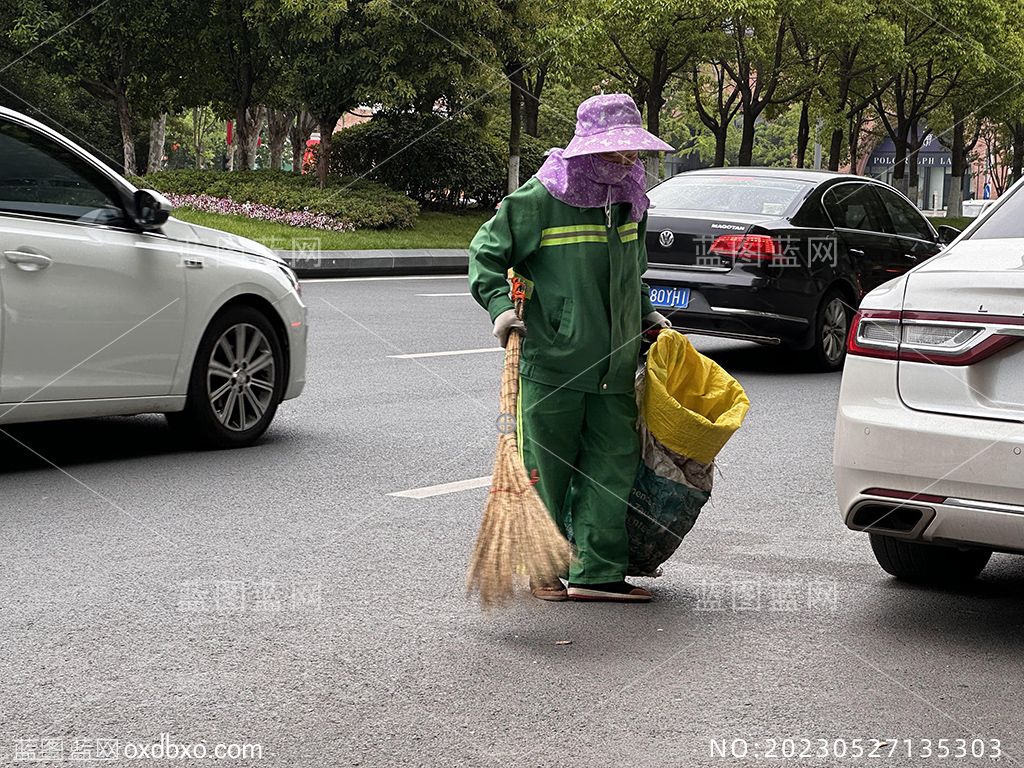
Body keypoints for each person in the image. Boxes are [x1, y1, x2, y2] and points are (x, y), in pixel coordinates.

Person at [468, 94, 674, 603]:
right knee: (549, 467)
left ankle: (597, 572)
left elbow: (632, 272)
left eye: (631, 154)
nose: (627, 162)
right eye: (616, 153)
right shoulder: (540, 199)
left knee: (613, 464)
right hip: (555, 361)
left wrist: (644, 312)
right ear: (586, 150)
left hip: (616, 363)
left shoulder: (631, 199)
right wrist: (500, 309)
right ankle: (543, 567)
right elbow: (485, 255)